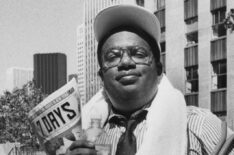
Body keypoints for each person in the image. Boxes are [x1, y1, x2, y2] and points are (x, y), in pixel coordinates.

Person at [66, 5, 234, 155]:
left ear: (159, 71)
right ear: (101, 77)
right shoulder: (84, 137)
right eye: (113, 56)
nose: (125, 62)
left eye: (138, 54)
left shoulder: (198, 125)